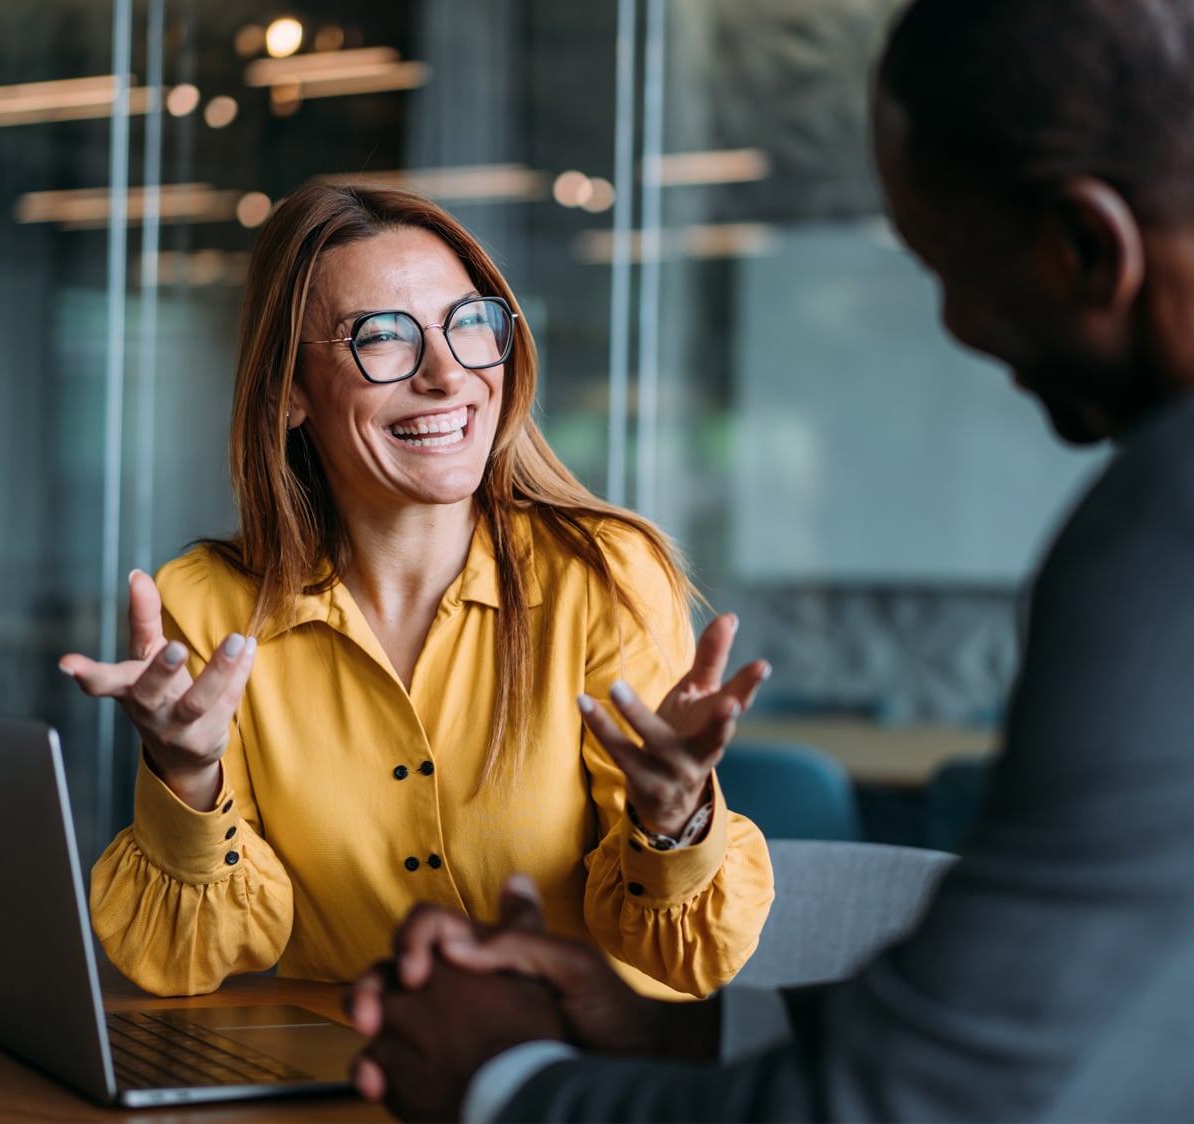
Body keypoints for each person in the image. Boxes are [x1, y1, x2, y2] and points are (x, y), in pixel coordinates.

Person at [349, 0, 1194, 1119]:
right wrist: (670, 1023)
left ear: (1087, 248)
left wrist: (505, 1079)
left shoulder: (1161, 521)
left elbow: (926, 1098)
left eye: (950, 264)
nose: (951, 324)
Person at [58, 179, 775, 1001]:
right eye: (383, 338)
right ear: (289, 390)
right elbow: (188, 963)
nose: (447, 373)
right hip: (342, 1082)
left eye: (469, 323)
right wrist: (186, 777)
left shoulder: (604, 576)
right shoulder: (210, 608)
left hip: (568, 1086)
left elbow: (690, 961)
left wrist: (674, 821)